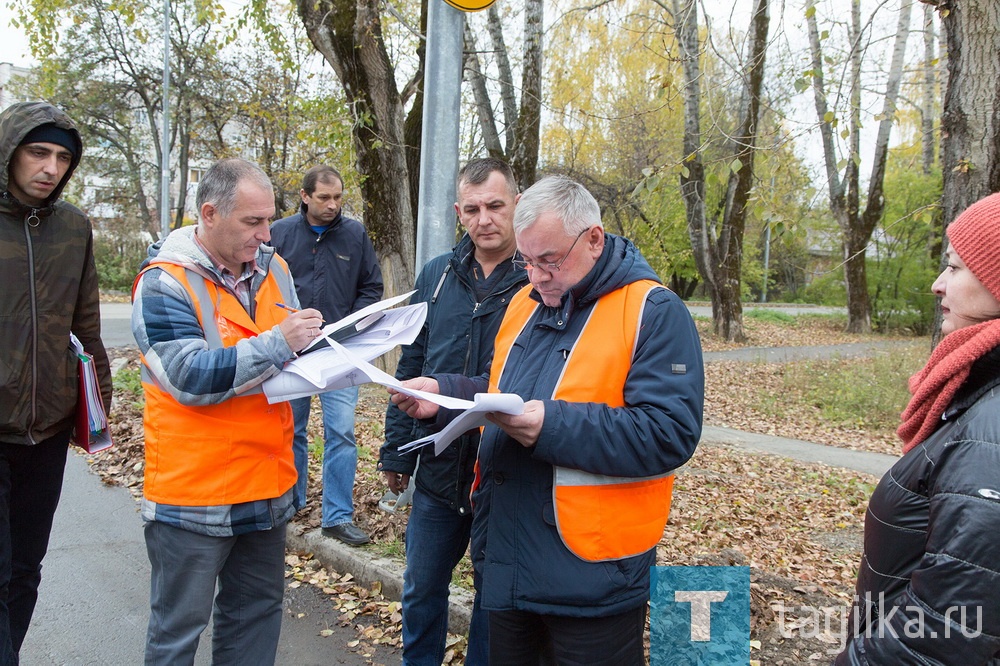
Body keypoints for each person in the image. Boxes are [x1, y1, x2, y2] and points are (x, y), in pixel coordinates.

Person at [391, 175, 704, 665]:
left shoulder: (653, 310)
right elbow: (504, 394)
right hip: (507, 559)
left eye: (549, 260)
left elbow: (669, 433)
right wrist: (445, 392)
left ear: (594, 239)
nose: (535, 275)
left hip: (593, 574)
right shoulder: (525, 303)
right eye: (527, 261)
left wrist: (548, 427)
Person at [131, 158, 326, 665]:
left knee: (255, 620)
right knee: (177, 633)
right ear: (210, 213)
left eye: (268, 220)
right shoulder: (164, 283)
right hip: (194, 496)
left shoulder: (274, 269)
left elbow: (290, 353)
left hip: (266, 483)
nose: (266, 235)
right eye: (253, 222)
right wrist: (280, 343)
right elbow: (190, 377)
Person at [836, 192, 1000, 664]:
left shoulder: (990, 428)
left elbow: (941, 633)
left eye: (955, 267)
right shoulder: (978, 395)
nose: (937, 284)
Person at [378, 158, 528, 665]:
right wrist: (396, 453)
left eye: (495, 206)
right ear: (458, 212)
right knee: (420, 589)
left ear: (516, 206)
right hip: (438, 474)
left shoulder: (538, 279)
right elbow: (411, 363)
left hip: (502, 471)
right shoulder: (436, 276)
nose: (484, 219)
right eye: (473, 208)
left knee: (492, 604)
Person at [0, 101, 111, 664]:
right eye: (37, 152)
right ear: (10, 152)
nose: (50, 167)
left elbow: (86, 324)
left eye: (62, 157)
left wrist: (97, 408)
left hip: (45, 431)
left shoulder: (74, 228)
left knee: (24, 569)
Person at [269, 165, 383, 546]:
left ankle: (337, 516)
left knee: (342, 433)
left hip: (339, 352)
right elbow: (262, 286)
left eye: (338, 197)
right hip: (292, 352)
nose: (333, 205)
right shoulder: (279, 234)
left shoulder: (354, 235)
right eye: (324, 198)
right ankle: (291, 504)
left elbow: (372, 287)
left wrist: (351, 325)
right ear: (305, 196)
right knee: (291, 430)